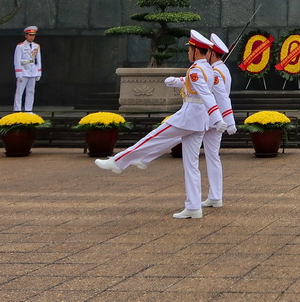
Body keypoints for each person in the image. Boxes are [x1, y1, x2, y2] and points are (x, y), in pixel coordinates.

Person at [95, 30, 227, 220]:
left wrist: (218, 119)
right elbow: (195, 86)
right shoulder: (207, 69)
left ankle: (118, 161)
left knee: (153, 137)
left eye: (189, 49)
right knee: (190, 165)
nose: (188, 53)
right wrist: (175, 82)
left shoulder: (197, 69)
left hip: (189, 115)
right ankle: (193, 207)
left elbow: (206, 95)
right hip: (199, 120)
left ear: (196, 51)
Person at [201, 33, 237, 209]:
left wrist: (229, 122)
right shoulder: (223, 70)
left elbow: (221, 98)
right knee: (212, 157)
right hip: (217, 118)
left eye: (206, 51)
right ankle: (215, 195)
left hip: (210, 119)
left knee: (194, 156)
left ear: (211, 53)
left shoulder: (214, 72)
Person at [12, 26, 42, 111]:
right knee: (19, 92)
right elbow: (17, 60)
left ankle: (28, 109)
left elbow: (38, 60)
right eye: (30, 35)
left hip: (33, 71)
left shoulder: (36, 46)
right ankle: (17, 109)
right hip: (23, 70)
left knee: (31, 92)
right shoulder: (20, 46)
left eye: (33, 35)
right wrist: (18, 73)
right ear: (26, 35)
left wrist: (39, 72)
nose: (32, 37)